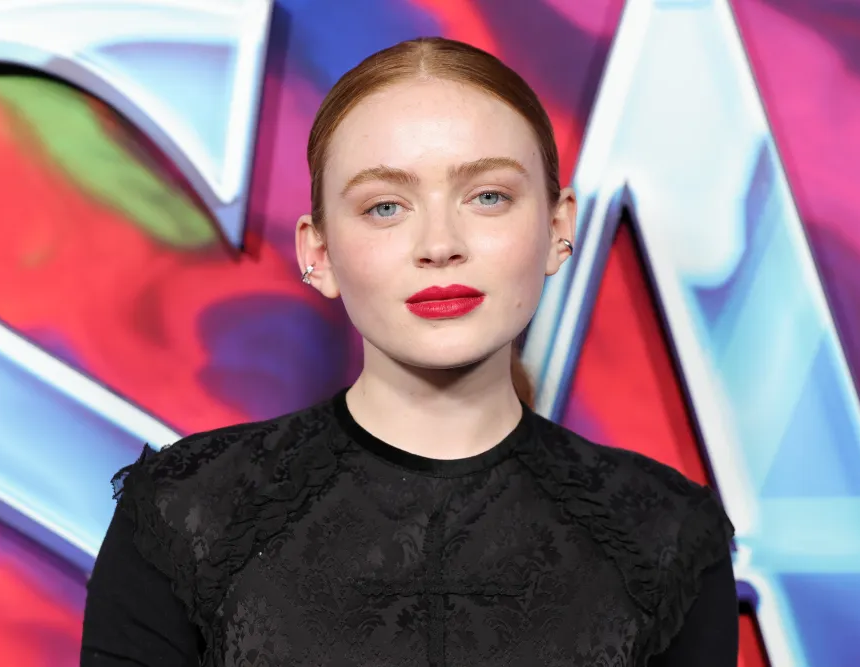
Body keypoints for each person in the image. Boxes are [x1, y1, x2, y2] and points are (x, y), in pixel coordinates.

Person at [81, 37, 738, 667]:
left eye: (488, 197)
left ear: (558, 227)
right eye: (386, 207)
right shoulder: (184, 513)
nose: (440, 244)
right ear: (319, 253)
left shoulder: (667, 534)